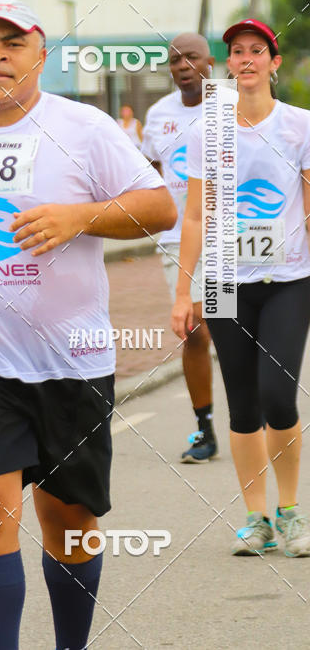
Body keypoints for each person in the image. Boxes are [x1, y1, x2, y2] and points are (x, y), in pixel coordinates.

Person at [0, 0, 177, 649]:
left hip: (71, 362)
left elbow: (161, 207)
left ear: (40, 55)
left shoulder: (83, 127)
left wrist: (78, 217)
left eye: (12, 42)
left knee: (70, 524)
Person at [172, 18, 310, 557]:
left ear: (274, 64)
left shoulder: (300, 126)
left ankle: (291, 511)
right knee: (243, 404)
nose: (246, 59)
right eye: (237, 52)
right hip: (226, 279)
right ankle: (257, 520)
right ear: (227, 65)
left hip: (288, 278)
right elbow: (194, 217)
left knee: (279, 395)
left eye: (258, 51)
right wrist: (184, 293)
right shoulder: (208, 130)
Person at [141, 34, 217, 463]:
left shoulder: (231, 107)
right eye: (174, 59)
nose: (183, 64)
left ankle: (255, 416)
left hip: (228, 236)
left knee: (229, 327)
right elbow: (148, 170)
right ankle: (204, 428)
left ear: (209, 61)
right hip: (176, 237)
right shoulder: (157, 115)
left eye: (191, 56)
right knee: (193, 329)